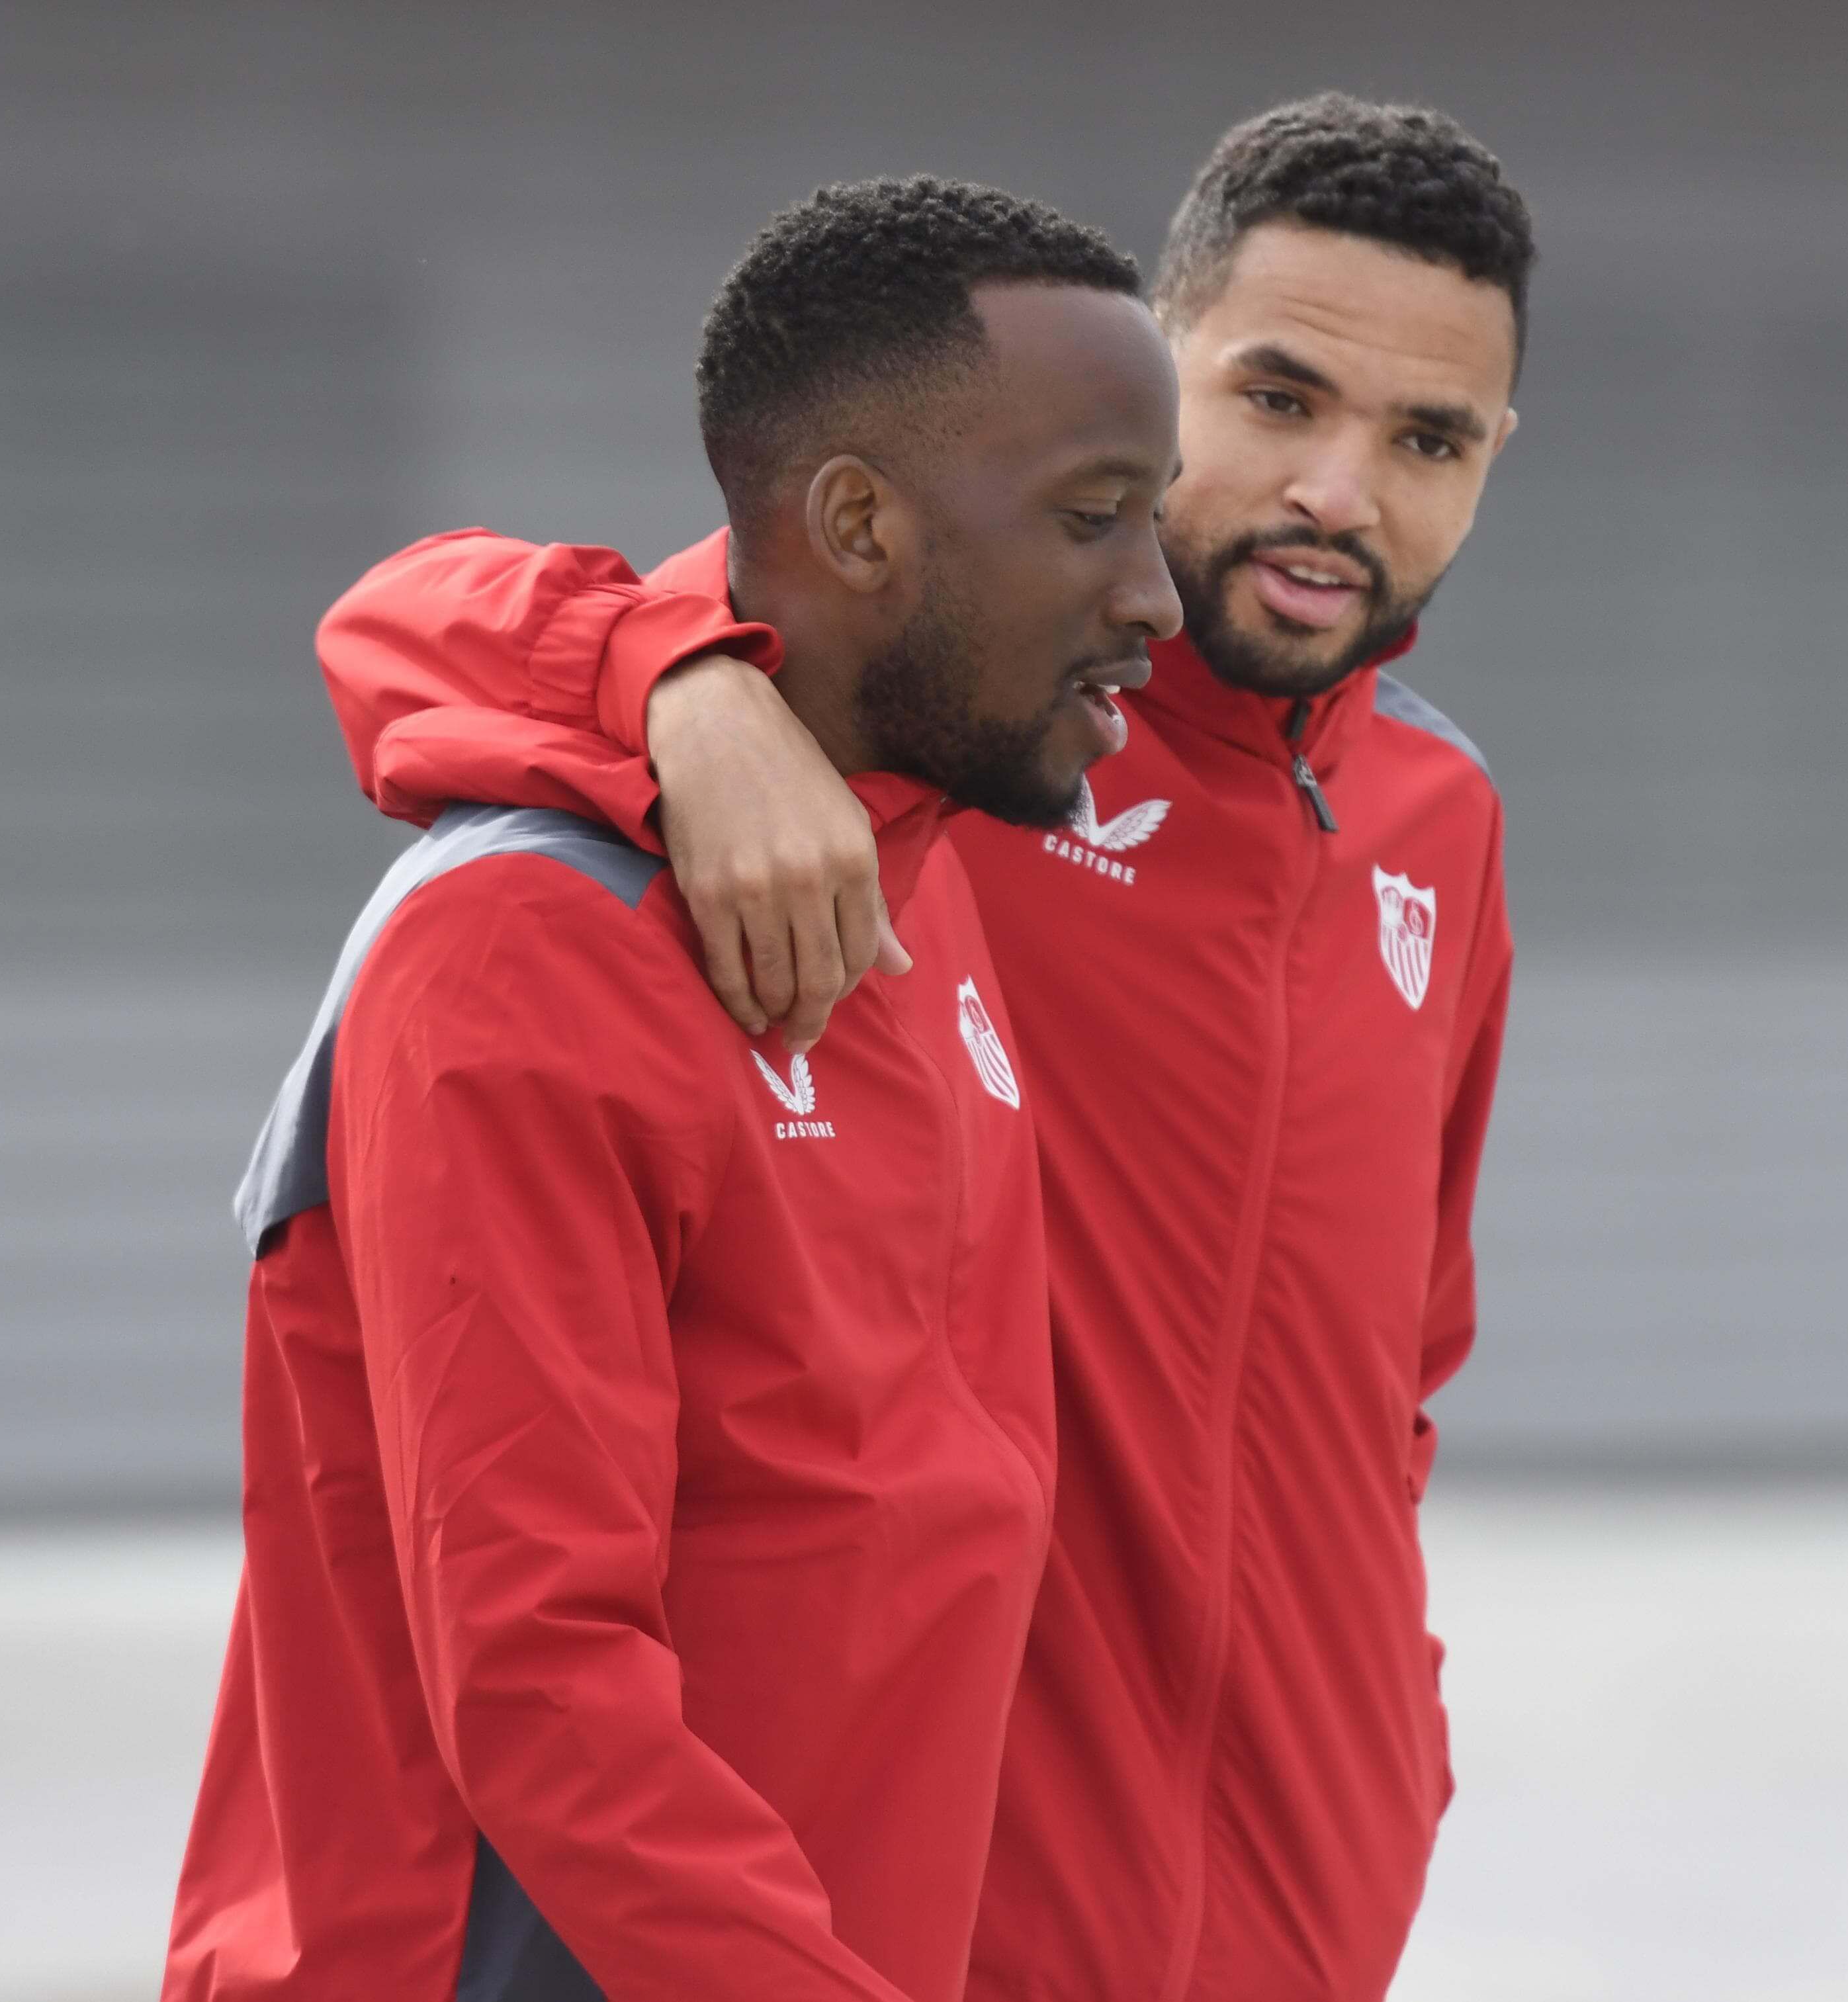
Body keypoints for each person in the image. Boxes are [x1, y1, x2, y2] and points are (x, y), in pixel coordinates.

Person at [310, 94, 1529, 2001]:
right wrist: (676, 689)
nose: (1341, 492)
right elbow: (404, 622)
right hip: (939, 1924)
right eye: (1279, 401)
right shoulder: (968, 739)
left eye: (1431, 440)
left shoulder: (1443, 822)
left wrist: (1394, 1757)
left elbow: (1402, 1380)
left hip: (1303, 1919)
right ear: (1161, 366)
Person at [162, 177, 1181, 2002]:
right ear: (860, 523)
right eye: (1093, 519)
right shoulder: (526, 950)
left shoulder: (922, 888)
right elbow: (546, 1690)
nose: (1153, 597)